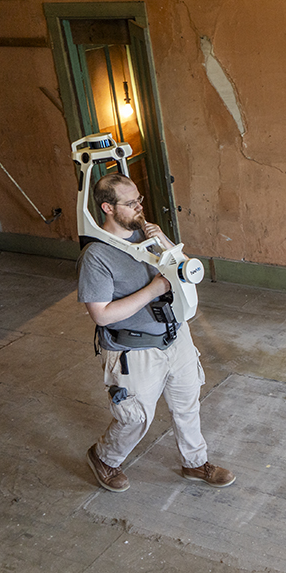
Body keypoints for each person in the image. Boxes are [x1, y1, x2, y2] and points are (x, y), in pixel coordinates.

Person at [77, 172, 234, 492]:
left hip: (176, 335)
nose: (139, 207)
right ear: (108, 208)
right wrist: (152, 290)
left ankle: (195, 463)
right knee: (135, 417)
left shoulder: (149, 236)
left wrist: (163, 241)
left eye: (140, 199)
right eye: (131, 203)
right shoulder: (96, 256)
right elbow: (102, 315)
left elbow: (188, 272)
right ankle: (104, 458)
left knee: (187, 402)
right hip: (134, 349)